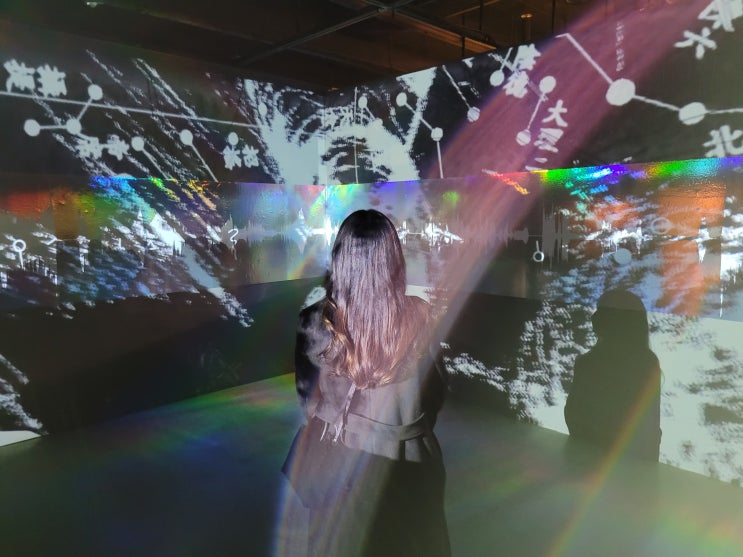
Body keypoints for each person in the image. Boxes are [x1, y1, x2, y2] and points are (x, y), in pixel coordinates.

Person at [277, 209, 450, 557]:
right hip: (407, 458)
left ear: (340, 260)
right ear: (394, 260)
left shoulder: (313, 322)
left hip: (341, 465)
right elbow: (434, 394)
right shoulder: (422, 315)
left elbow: (308, 401)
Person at [564, 289, 662, 461]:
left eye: (603, 311)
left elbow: (649, 430)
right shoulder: (647, 363)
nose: (594, 317)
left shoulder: (645, 364)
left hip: (615, 465)